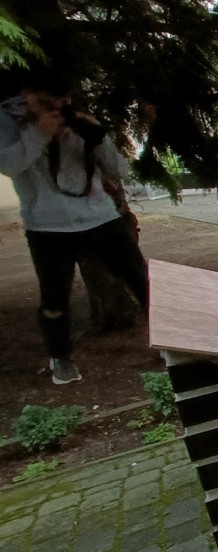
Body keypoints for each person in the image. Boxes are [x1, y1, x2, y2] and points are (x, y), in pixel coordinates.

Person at [0, 72, 149, 384]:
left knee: (144, 282)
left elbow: (120, 169)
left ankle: (170, 345)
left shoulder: (77, 121)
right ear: (26, 95)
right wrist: (40, 133)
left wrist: (98, 136)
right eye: (44, 103)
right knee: (54, 299)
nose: (55, 110)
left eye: (61, 104)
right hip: (47, 225)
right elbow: (9, 165)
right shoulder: (9, 122)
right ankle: (61, 360)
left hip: (100, 216)